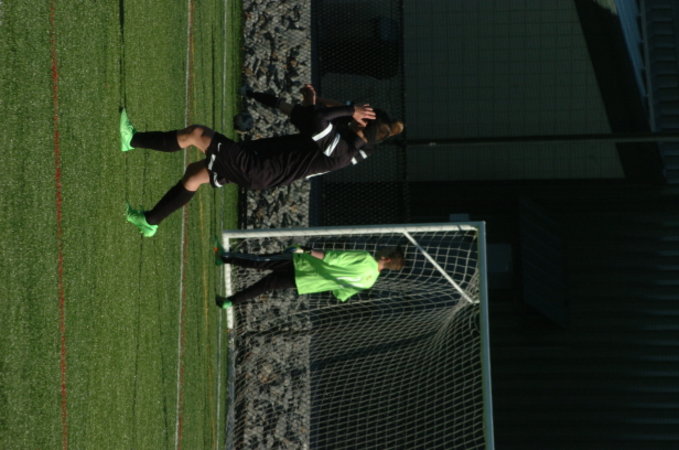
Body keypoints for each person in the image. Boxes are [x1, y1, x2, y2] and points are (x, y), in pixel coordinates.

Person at [120, 93, 403, 237]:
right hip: (261, 165)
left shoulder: (341, 150)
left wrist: (348, 109)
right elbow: (309, 117)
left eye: (362, 115)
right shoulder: (346, 140)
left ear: (364, 124)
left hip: (258, 167)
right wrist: (311, 102)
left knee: (196, 134)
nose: (356, 114)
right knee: (195, 175)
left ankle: (131, 139)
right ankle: (150, 221)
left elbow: (319, 121)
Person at [214, 245, 405, 309]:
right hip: (306, 282)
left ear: (386, 258)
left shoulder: (365, 258)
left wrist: (306, 250)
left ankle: (223, 258)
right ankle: (230, 302)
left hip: (303, 264)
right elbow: (340, 295)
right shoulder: (369, 282)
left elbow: (333, 258)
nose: (383, 249)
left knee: (263, 261)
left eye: (386, 251)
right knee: (265, 285)